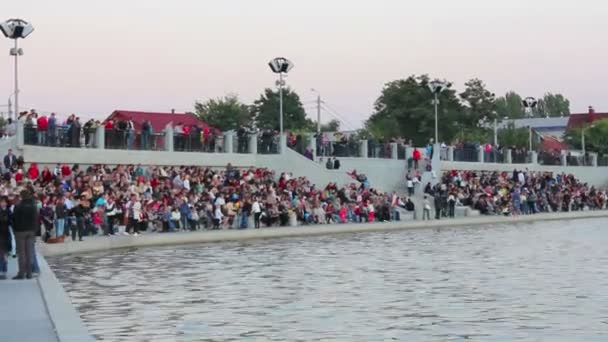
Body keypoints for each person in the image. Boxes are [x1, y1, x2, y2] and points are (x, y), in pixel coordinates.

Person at [12, 190, 38, 280]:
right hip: (31, 231)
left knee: (22, 253)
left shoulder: (18, 206)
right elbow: (36, 219)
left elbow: (14, 219)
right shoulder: (33, 206)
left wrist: (15, 229)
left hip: (20, 231)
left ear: (21, 196)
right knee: (29, 252)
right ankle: (29, 273)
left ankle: (21, 273)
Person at [0, 197, 11, 280]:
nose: (3, 203)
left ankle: (4, 270)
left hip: (6, 234)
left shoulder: (8, 211)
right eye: (2, 202)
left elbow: (11, 221)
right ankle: (2, 271)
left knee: (5, 253)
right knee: (1, 253)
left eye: (4, 202)